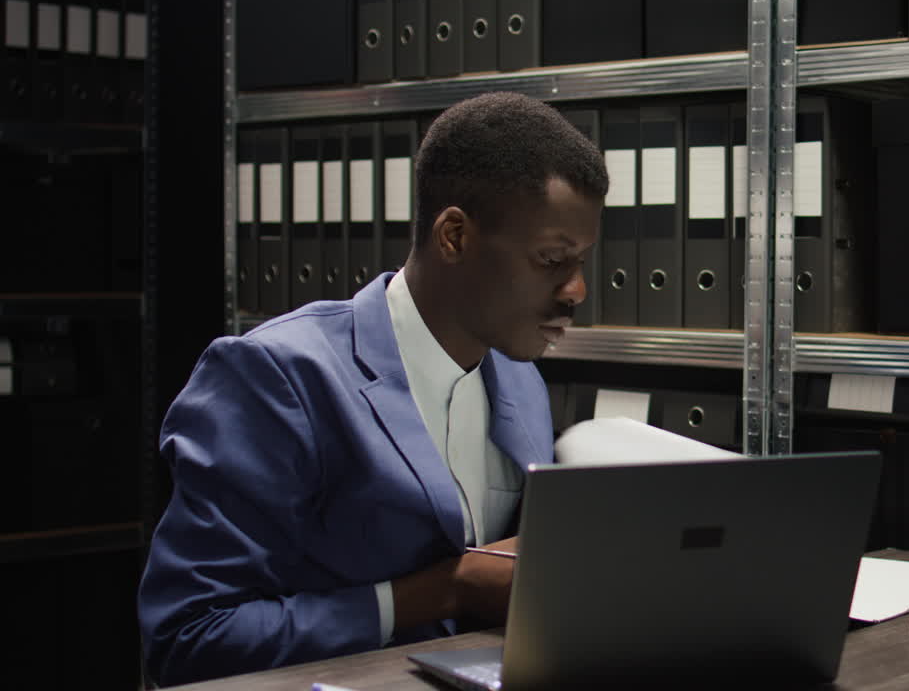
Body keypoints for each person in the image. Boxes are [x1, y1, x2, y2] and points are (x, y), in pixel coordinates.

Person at [138, 92, 609, 686]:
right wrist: (443, 590)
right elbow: (187, 637)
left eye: (583, 261)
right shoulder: (278, 377)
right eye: (551, 260)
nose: (576, 291)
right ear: (455, 237)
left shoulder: (522, 381)